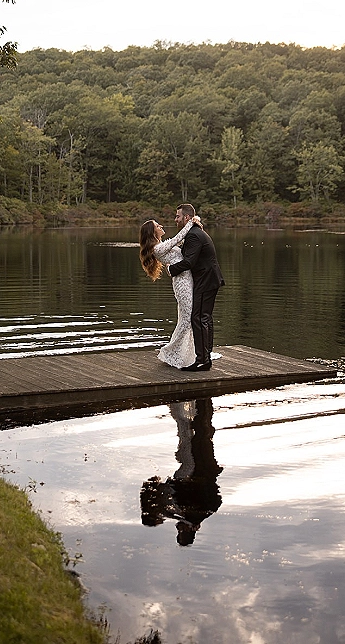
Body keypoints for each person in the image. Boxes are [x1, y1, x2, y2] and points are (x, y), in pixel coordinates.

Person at [140, 398, 223, 545]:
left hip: (204, 471)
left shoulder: (197, 513)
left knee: (199, 435)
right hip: (192, 472)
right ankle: (192, 403)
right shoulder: (180, 513)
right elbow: (159, 486)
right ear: (186, 530)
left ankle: (200, 403)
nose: (177, 528)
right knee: (187, 433)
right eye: (180, 531)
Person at [139, 215, 202, 368]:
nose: (160, 225)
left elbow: (181, 241)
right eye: (157, 225)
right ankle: (170, 351)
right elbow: (178, 237)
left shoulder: (161, 245)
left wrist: (197, 229)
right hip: (182, 283)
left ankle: (188, 353)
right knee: (187, 320)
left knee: (185, 319)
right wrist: (191, 222)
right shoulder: (158, 248)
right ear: (152, 232)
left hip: (187, 280)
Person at [168, 203, 224, 371]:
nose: (175, 219)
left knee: (198, 318)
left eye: (178, 216)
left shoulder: (193, 235)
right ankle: (205, 356)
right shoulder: (195, 232)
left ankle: (202, 360)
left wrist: (172, 269)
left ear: (186, 217)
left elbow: (189, 262)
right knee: (205, 317)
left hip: (206, 280)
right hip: (209, 279)